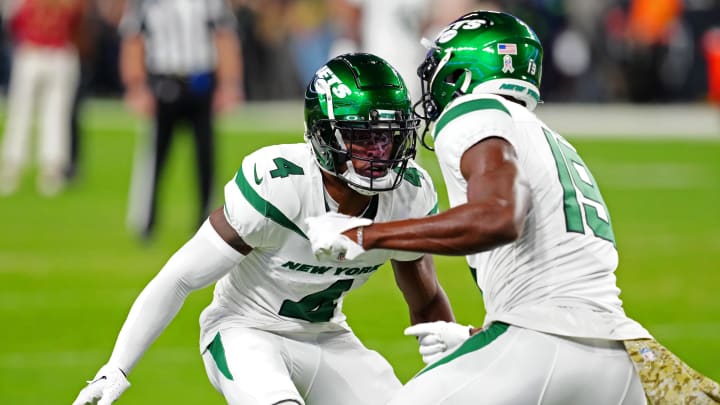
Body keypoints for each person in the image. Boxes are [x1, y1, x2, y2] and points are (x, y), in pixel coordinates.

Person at [305, 11, 720, 404]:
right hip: (615, 357)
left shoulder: (472, 113)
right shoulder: (544, 136)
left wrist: (364, 234)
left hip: (543, 341)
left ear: (459, 72)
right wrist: (480, 336)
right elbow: (561, 279)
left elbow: (499, 217)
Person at [72, 53, 454, 405]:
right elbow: (179, 278)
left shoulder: (409, 195)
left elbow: (426, 300)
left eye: (387, 135)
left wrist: (449, 376)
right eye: (362, 136)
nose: (378, 152)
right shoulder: (280, 183)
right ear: (323, 134)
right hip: (245, 330)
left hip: (327, 336)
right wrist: (118, 366)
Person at [120, 0, 243, 240]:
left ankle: (207, 222)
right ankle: (145, 222)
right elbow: (133, 39)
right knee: (154, 156)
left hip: (200, 82)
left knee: (205, 158)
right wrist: (136, 85)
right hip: (163, 81)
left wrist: (229, 83)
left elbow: (225, 37)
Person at [0, 0, 90, 196]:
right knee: (29, 113)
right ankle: (21, 166)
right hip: (42, 52)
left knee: (50, 114)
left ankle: (46, 167)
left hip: (49, 52)